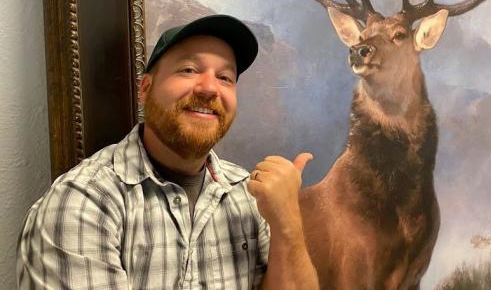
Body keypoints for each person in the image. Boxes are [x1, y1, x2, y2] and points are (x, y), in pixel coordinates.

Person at [17, 15, 319, 289]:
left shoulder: (249, 196)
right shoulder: (83, 203)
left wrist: (287, 222)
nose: (209, 88)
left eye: (225, 77)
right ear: (145, 88)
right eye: (189, 69)